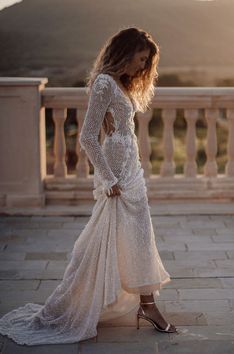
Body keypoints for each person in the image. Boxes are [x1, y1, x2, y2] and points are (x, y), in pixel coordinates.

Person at [0, 26, 178, 346]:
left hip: (131, 169)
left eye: (146, 62)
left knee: (138, 237)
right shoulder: (104, 83)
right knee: (107, 238)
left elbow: (122, 130)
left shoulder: (121, 84)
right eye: (140, 59)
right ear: (123, 53)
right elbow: (87, 136)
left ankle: (147, 305)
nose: (143, 67)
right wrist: (108, 178)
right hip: (115, 173)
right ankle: (111, 304)